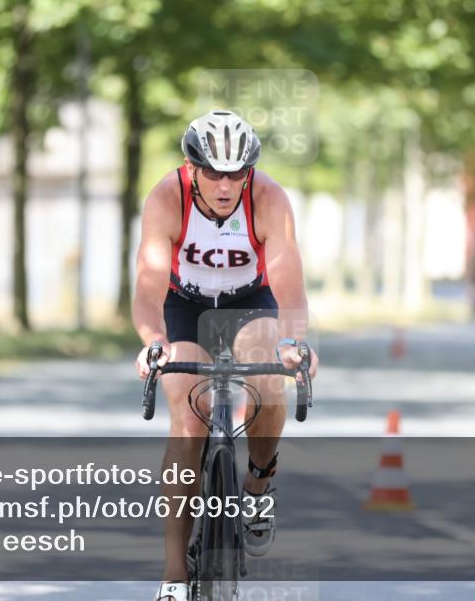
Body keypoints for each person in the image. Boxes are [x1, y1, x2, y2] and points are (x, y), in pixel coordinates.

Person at [132, 110, 319, 601]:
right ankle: (174, 574)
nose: (224, 184)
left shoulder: (269, 198)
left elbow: (287, 279)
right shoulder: (166, 197)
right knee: (187, 422)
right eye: (213, 172)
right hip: (184, 305)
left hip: (248, 302)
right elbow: (149, 288)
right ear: (191, 167)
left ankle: (258, 488)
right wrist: (153, 340)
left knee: (268, 382)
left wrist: (293, 341)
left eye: (236, 173)